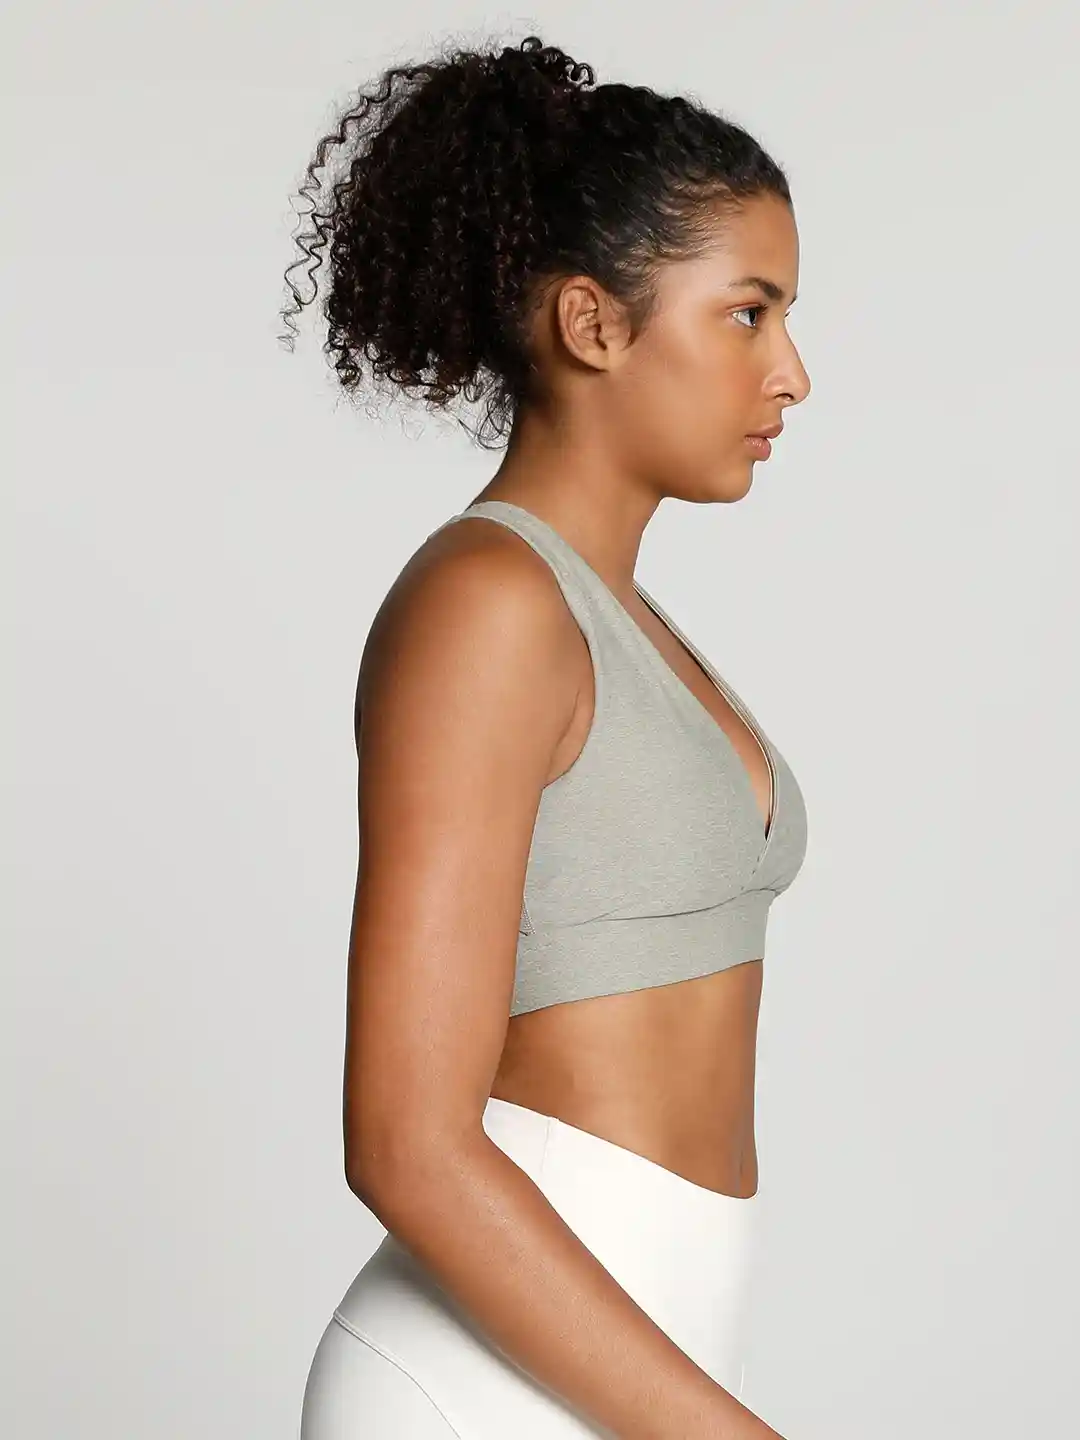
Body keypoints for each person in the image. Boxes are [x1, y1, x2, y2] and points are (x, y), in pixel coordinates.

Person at [281, 32, 811, 1439]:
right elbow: (406, 1142)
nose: (792, 373)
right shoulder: (489, 605)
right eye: (748, 313)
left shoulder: (613, 615)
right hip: (474, 1392)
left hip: (626, 1366)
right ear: (592, 323)